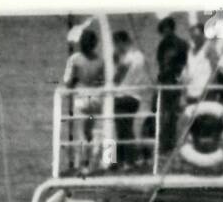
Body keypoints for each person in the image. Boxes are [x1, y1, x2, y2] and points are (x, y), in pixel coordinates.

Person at [61, 27, 106, 171]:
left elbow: (68, 81)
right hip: (96, 100)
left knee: (82, 133)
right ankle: (99, 158)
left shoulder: (75, 59)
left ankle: (83, 163)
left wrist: (72, 84)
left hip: (81, 100)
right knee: (93, 129)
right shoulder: (100, 61)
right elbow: (103, 81)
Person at [112, 30, 154, 166]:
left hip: (122, 95)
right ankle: (121, 160)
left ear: (121, 42)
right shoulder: (140, 57)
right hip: (136, 97)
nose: (115, 47)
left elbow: (117, 78)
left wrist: (115, 63)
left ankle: (125, 160)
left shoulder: (128, 58)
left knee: (121, 130)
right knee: (127, 128)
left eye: (116, 44)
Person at [155, 17, 189, 153]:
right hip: (165, 82)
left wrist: (179, 78)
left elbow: (186, 64)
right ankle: (165, 144)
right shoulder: (162, 45)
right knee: (164, 114)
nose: (164, 33)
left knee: (175, 114)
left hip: (176, 82)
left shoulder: (181, 44)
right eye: (162, 31)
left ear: (171, 28)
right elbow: (160, 64)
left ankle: (174, 143)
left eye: (165, 29)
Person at [181, 22, 220, 105]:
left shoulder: (209, 48)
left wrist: (208, 89)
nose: (194, 38)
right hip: (191, 93)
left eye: (197, 36)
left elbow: (215, 71)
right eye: (192, 36)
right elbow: (187, 72)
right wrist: (184, 93)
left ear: (203, 34)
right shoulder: (190, 51)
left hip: (206, 93)